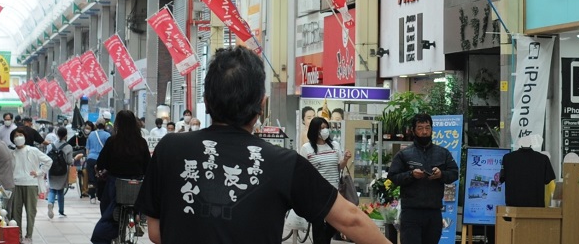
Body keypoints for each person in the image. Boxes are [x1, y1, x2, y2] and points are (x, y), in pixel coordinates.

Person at [136, 47, 389, 244]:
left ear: (207, 100)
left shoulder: (169, 149)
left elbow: (156, 232)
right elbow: (351, 219)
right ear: (262, 104)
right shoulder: (285, 163)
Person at [385, 113, 460, 244]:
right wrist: (411, 175)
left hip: (434, 212)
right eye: (420, 128)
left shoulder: (443, 153)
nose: (424, 132)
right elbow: (393, 176)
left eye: (427, 128)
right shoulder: (404, 154)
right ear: (413, 130)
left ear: (432, 129)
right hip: (411, 212)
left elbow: (454, 173)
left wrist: (441, 174)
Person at [90, 110, 152, 244]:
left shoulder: (113, 141)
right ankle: (137, 217)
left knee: (107, 209)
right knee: (137, 200)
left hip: (115, 183)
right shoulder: (141, 142)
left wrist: (101, 169)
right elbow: (148, 165)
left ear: (118, 124)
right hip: (136, 183)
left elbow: (101, 162)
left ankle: (110, 227)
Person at [299, 116, 354, 244]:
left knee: (334, 223)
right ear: (315, 130)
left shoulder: (334, 145)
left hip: (334, 191)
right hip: (316, 192)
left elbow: (339, 166)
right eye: (321, 128)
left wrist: (345, 159)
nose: (325, 131)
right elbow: (303, 171)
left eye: (326, 128)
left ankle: (324, 240)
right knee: (318, 224)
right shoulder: (307, 148)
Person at [8, 126, 52, 241]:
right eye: (16, 136)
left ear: (25, 137)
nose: (18, 138)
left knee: (30, 211)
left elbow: (48, 161)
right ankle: (18, 235)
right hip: (16, 184)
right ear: (13, 139)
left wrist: (39, 172)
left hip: (31, 184)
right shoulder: (12, 153)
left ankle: (29, 235)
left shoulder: (33, 150)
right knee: (15, 212)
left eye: (20, 135)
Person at [499, 133, 556, 208]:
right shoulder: (543, 159)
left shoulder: (507, 158)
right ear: (531, 144)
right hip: (535, 208)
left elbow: (501, 179)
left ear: (519, 143)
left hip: (513, 209)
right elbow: (548, 180)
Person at [45, 127, 78, 219]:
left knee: (52, 189)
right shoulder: (68, 147)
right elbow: (69, 161)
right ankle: (61, 211)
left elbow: (46, 158)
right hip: (62, 172)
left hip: (51, 170)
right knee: (60, 191)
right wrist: (75, 159)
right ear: (66, 135)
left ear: (57, 134)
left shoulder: (50, 146)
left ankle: (50, 203)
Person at [84, 120, 111, 198]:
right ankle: (100, 194)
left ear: (96, 125)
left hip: (91, 158)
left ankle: (92, 196)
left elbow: (87, 148)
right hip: (101, 160)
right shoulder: (107, 135)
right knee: (101, 177)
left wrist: (88, 158)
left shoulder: (91, 134)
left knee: (91, 178)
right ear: (104, 125)